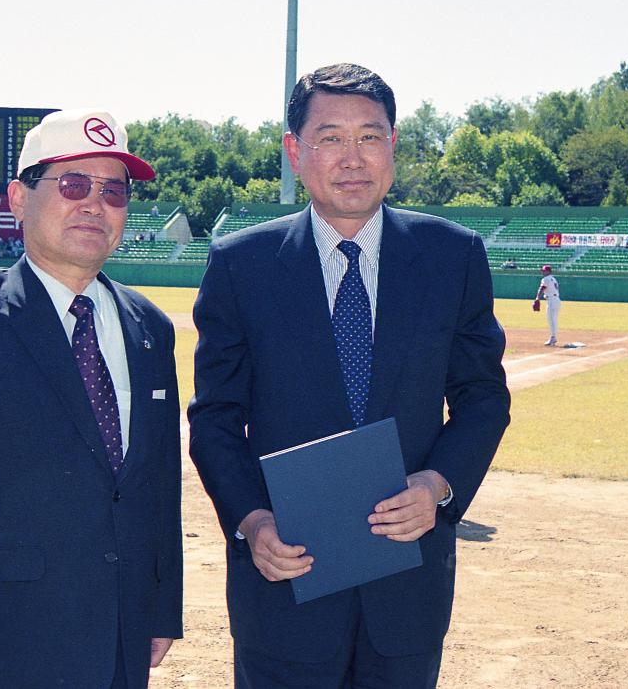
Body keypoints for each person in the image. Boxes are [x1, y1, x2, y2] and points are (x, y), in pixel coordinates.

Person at [188, 63, 510, 688]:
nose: (353, 156)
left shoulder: (453, 256)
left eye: (370, 135)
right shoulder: (240, 265)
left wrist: (439, 486)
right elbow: (216, 419)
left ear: (394, 146)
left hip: (407, 582)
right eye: (331, 136)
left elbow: (483, 400)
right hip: (286, 581)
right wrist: (252, 521)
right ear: (294, 151)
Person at [0, 109, 183, 688]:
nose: (94, 204)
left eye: (114, 191)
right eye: (73, 185)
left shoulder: (150, 325)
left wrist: (161, 602)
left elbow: (156, 482)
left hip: (122, 636)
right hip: (2, 639)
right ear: (19, 198)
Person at [536, 264, 561, 346]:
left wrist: (537, 298)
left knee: (551, 320)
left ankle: (553, 338)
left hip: (551, 300)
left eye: (544, 270)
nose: (543, 272)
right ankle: (553, 337)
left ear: (549, 271)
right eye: (542, 270)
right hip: (556, 300)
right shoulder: (553, 279)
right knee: (554, 320)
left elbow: (542, 288)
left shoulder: (546, 279)